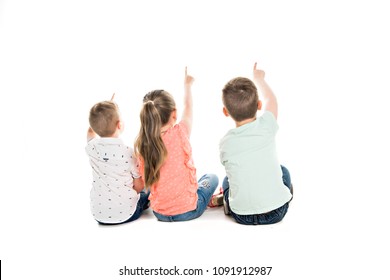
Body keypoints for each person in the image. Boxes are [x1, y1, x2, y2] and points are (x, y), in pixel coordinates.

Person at [135, 67, 219, 222]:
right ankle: (209, 200)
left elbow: (144, 181)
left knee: (151, 187)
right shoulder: (180, 133)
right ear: (174, 114)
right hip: (188, 211)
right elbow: (188, 107)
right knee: (211, 178)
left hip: (160, 214)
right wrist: (187, 85)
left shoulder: (143, 146)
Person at [219, 63, 293, 225]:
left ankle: (226, 201)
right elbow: (272, 100)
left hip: (241, 215)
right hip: (277, 211)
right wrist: (259, 78)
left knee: (227, 180)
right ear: (259, 105)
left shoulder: (225, 142)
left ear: (225, 112)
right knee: (284, 171)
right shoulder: (267, 125)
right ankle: (280, 193)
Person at [85, 94, 149, 225]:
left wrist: (102, 114)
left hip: (98, 214)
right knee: (145, 192)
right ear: (119, 125)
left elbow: (90, 131)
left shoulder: (92, 148)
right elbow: (139, 186)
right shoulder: (129, 153)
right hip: (126, 214)